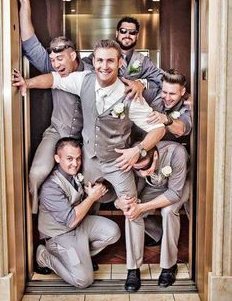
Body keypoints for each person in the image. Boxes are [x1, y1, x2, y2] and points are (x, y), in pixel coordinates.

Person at [12, 39, 165, 292]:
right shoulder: (83, 80)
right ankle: (82, 254)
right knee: (87, 202)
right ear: (92, 62)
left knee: (132, 210)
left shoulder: (130, 95)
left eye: (110, 61)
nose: (104, 66)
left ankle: (133, 269)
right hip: (89, 160)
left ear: (119, 63)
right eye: (100, 60)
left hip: (119, 164)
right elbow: (53, 79)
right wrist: (27, 83)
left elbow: (158, 128)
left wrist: (138, 150)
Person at [13, 0, 90, 214]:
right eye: (53, 61)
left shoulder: (93, 71)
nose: (56, 65)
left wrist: (137, 83)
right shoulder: (53, 67)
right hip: (56, 132)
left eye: (61, 60)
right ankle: (35, 220)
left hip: (85, 139)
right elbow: (29, 41)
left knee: (92, 179)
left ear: (73, 55)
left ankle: (83, 223)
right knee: (37, 173)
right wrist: (25, 2)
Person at [36, 137, 120, 288]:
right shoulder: (50, 187)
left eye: (78, 158)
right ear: (57, 158)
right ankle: (44, 256)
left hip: (79, 226)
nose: (75, 164)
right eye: (69, 159)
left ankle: (82, 256)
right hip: (60, 234)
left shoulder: (75, 174)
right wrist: (92, 198)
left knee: (113, 232)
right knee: (83, 281)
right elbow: (70, 220)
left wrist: (96, 191)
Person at [115, 140, 190, 288]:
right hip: (154, 186)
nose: (143, 173)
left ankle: (169, 266)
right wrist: (122, 203)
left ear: (155, 155)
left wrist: (142, 207)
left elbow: (174, 194)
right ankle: (133, 268)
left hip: (179, 185)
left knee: (168, 211)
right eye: (138, 170)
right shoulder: (132, 158)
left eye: (146, 167)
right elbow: (121, 192)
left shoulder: (176, 152)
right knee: (132, 210)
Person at [83, 15, 163, 102]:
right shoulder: (103, 52)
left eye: (132, 32)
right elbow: (83, 67)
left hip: (129, 107)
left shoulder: (142, 60)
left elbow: (161, 79)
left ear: (137, 35)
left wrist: (142, 83)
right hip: (102, 104)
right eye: (123, 31)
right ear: (117, 33)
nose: (127, 35)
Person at [147, 69, 192, 141]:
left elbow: (181, 129)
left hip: (164, 145)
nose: (167, 98)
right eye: (164, 92)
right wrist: (139, 84)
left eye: (172, 94)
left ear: (182, 92)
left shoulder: (186, 108)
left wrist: (165, 119)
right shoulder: (153, 94)